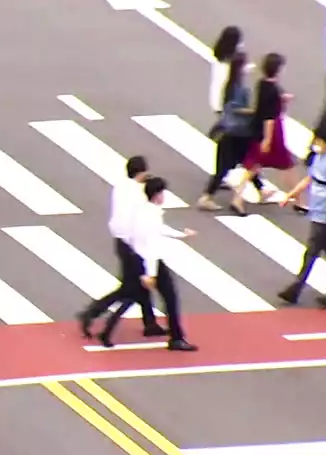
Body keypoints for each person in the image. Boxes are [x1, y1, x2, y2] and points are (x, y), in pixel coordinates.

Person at [97, 177, 198, 352]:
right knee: (169, 297)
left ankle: (107, 331)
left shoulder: (144, 210)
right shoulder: (151, 215)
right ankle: (176, 338)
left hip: (139, 259)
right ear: (157, 195)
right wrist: (150, 274)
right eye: (163, 193)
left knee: (131, 298)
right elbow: (151, 245)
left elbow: (158, 230)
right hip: (150, 263)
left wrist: (182, 235)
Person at [76, 156, 165, 339]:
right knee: (130, 288)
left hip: (120, 240)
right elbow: (138, 220)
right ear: (141, 172)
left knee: (139, 287)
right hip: (130, 244)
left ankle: (150, 323)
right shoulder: (138, 195)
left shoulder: (121, 187)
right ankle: (92, 313)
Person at [279, 126, 326, 307]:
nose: (315, 144)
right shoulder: (319, 158)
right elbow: (310, 178)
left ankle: (295, 288)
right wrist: (291, 194)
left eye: (318, 141)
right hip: (317, 210)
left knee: (311, 251)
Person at [233, 53, 296, 212]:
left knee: (254, 165)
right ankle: (299, 200)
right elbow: (269, 117)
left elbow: (264, 105)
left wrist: (282, 99)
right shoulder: (273, 90)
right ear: (278, 70)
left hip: (257, 128)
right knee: (286, 164)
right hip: (272, 133)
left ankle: (239, 196)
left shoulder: (262, 84)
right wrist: (268, 139)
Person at [199, 52, 257, 213]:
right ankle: (206, 197)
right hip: (238, 133)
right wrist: (253, 111)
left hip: (233, 132)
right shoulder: (237, 88)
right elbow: (234, 108)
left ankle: (262, 189)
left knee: (248, 161)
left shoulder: (231, 85)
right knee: (241, 163)